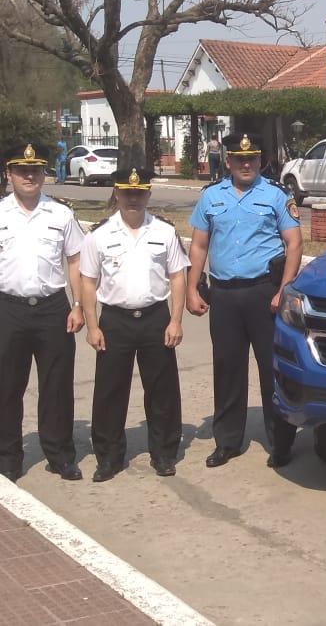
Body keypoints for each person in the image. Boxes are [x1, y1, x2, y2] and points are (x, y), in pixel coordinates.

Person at [186, 133, 302, 469]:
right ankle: (227, 442)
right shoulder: (210, 197)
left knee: (273, 370)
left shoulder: (277, 196)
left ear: (261, 160)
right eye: (239, 158)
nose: (246, 164)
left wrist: (284, 289)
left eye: (251, 158)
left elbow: (293, 244)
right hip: (223, 294)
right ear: (228, 161)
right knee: (227, 369)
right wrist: (193, 288)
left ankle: (280, 443)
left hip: (264, 293)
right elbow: (198, 246)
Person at [80, 167, 190, 482]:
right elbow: (88, 282)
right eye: (127, 192)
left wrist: (176, 320)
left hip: (156, 317)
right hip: (114, 320)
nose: (133, 198)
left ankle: (164, 453)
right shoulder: (99, 235)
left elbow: (177, 276)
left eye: (139, 192)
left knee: (162, 391)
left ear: (148, 194)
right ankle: (109, 458)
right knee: (110, 392)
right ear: (116, 193)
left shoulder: (164, 232)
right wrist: (92, 326)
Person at [0, 141, 85, 482]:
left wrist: (78, 305)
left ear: (44, 174)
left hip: (53, 309)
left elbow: (76, 260)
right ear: (9, 174)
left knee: (57, 386)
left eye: (35, 170)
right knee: (6, 387)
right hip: (8, 308)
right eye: (22, 170)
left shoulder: (60, 214)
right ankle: (8, 457)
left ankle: (60, 454)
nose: (30, 175)